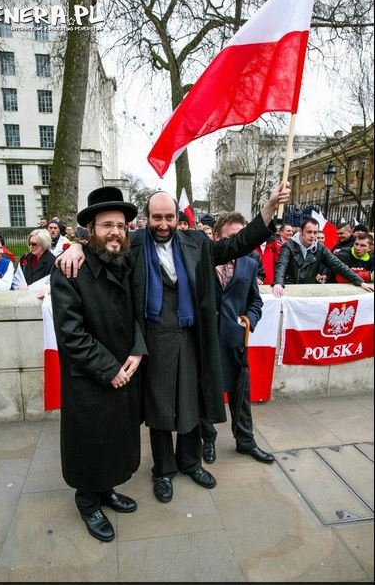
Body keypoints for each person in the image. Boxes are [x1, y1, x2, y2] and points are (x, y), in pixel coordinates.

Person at [56, 183, 292, 504]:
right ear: (147, 218)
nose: (163, 224)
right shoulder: (133, 243)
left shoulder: (198, 243)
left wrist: (267, 210)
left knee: (191, 404)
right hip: (152, 341)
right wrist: (76, 246)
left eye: (169, 217)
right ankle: (163, 471)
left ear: (178, 218)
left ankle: (190, 463)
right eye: (157, 217)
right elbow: (104, 246)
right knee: (160, 408)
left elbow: (236, 244)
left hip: (192, 338)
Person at [50, 187, 147, 542]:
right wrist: (111, 370)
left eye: (121, 225)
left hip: (125, 368)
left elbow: (136, 311)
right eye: (107, 225)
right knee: (90, 442)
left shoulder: (126, 259)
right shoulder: (68, 269)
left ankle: (105, 490)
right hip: (91, 376)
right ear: (90, 229)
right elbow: (71, 334)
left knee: (115, 439)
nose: (115, 232)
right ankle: (87, 500)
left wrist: (137, 350)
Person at [201, 212, 274, 465]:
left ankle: (245, 441)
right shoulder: (203, 259)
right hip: (206, 342)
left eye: (244, 236)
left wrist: (249, 321)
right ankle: (207, 441)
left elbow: (255, 301)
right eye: (234, 237)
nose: (241, 242)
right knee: (205, 394)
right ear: (218, 236)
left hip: (235, 341)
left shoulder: (251, 262)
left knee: (241, 395)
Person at [272, 218, 374, 297]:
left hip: (309, 291)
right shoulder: (288, 246)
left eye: (315, 232)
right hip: (290, 290)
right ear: (300, 231)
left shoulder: (320, 248)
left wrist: (359, 281)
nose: (312, 236)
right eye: (309, 232)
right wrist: (278, 283)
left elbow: (337, 264)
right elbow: (282, 265)